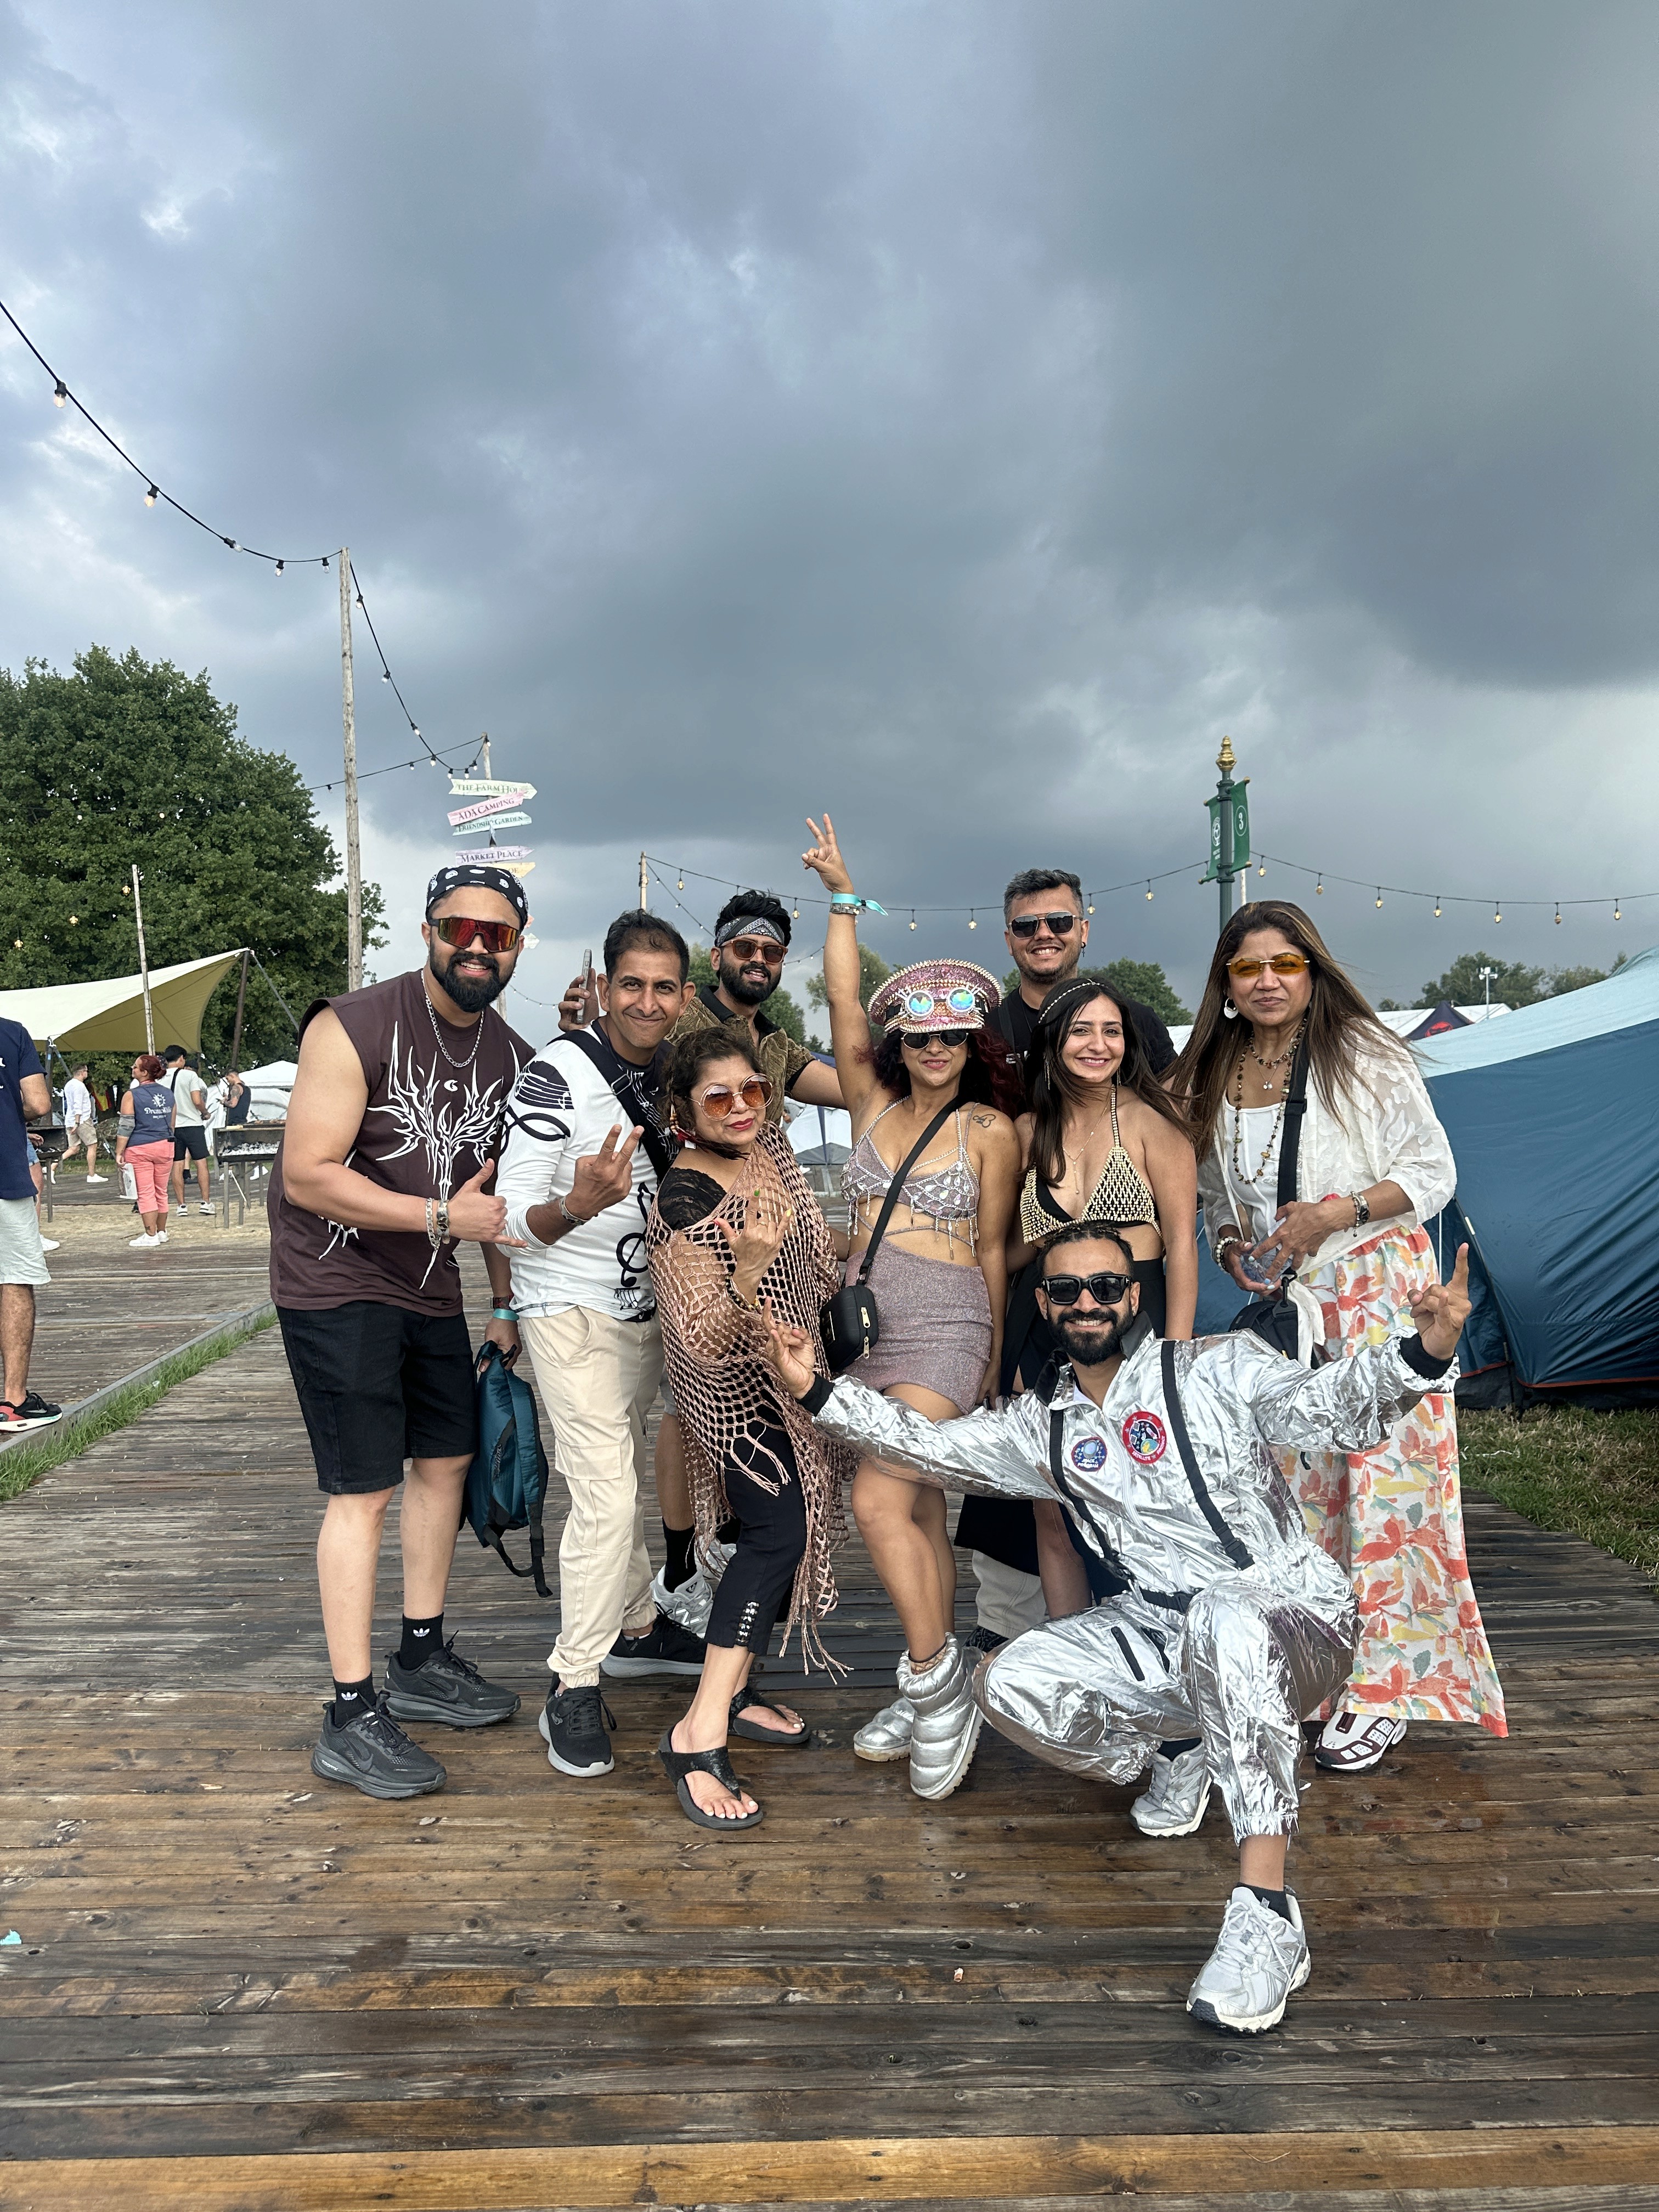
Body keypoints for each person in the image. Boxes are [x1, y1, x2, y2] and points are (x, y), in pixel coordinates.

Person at [764, 1220, 1475, 2035]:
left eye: (1106, 1286)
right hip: (1160, 1629)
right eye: (1066, 1290)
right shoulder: (1046, 1426)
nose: (1087, 1303)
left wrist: (1419, 1353)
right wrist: (816, 1388)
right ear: (1046, 1305)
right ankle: (1185, 1744)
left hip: (1290, 1612)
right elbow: (926, 1447)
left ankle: (1269, 1915)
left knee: (1225, 1621)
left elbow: (1322, 1408)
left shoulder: (1216, 1366)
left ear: (1134, 1296)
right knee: (1012, 1683)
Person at [1174, 901, 1506, 1773]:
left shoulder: (1361, 1053)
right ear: (1227, 985)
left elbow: (1433, 1173)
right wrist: (1234, 1248)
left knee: (1390, 1495)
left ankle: (1389, 1687)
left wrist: (1336, 1214)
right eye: (1250, 969)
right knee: (1298, 1496)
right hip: (1291, 1311)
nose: (1270, 982)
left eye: (1286, 964)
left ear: (1312, 971)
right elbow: (1216, 1198)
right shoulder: (1214, 1069)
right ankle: (1318, 1675)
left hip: (1381, 1294)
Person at [270, 864, 534, 1801]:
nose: (475, 944)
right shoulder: (353, 1023)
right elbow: (307, 1171)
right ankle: (349, 1713)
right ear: (428, 930)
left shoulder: (508, 1054)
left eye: (495, 934)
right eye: (459, 926)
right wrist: (435, 1219)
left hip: (431, 1286)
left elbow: (496, 1201)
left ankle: (420, 1658)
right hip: (334, 1278)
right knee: (363, 1490)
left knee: (446, 1462)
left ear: (514, 946)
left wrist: (503, 1304)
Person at [800, 812, 1020, 1799]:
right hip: (868, 1325)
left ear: (972, 1040)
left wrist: (994, 1359)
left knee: (879, 1496)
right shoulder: (870, 1103)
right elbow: (840, 991)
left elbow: (992, 1250)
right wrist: (842, 895)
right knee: (916, 1507)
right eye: (918, 1033)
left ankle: (935, 1686)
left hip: (948, 1326)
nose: (933, 1045)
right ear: (900, 1038)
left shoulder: (988, 1128)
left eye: (951, 1033)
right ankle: (941, 1676)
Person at [560, 888, 844, 1638]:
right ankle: (686, 1573)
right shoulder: (682, 1019)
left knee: (733, 1455)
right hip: (670, 1231)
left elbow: (855, 1086)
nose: (757, 960)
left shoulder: (773, 1045)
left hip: (736, 1251)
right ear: (714, 958)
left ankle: (707, 1580)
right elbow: (611, 1044)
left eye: (771, 951)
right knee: (691, 1416)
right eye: (742, 948)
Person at [495, 910, 708, 1786]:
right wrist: (577, 1206)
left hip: (648, 1311)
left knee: (608, 1481)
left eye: (664, 988)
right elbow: (507, 1220)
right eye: (632, 985)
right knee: (607, 1496)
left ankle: (635, 1624)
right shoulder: (556, 1076)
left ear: (684, 995)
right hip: (567, 1308)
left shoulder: (682, 1078)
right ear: (603, 987)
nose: (648, 1003)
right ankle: (571, 1682)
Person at [645, 1028, 857, 1828]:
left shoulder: (769, 1151)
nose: (741, 1109)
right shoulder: (686, 1199)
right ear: (684, 1110)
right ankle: (694, 1733)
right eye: (718, 1097)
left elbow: (808, 1238)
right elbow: (700, 1333)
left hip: (789, 1370)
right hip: (734, 1394)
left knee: (779, 1535)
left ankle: (733, 1692)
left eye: (753, 1091)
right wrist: (747, 1273)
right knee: (777, 1534)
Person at [967, 868, 1182, 1631]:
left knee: (1141, 1488)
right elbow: (1004, 1232)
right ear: (1009, 938)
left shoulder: (1138, 1035)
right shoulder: (985, 1034)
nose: (1044, 935)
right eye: (1028, 926)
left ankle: (1149, 1643)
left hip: (1132, 1313)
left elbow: (1178, 1215)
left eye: (1059, 921)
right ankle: (1032, 1646)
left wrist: (1177, 1348)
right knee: (1038, 1499)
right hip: (1041, 1313)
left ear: (1083, 929)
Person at [1003, 977, 1200, 1616]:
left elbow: (1182, 1247)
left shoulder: (1153, 1124)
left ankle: (1157, 1654)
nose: (1098, 1044)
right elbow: (1009, 1253)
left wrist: (1175, 1359)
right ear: (1054, 1041)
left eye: (1111, 1030)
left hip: (1133, 1335)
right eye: (1082, 1030)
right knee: (1054, 1510)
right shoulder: (1027, 1132)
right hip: (1045, 1329)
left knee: (1142, 1501)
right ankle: (1075, 1661)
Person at [0, 1015, 60, 1431]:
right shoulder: (11, 1032)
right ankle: (13, 1401)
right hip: (3, 1173)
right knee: (13, 1279)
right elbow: (39, 1104)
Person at [118, 1054, 177, 1249]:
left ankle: (150, 1234)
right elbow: (172, 1124)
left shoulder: (131, 1095)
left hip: (140, 1147)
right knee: (162, 1191)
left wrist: (120, 1151)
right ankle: (161, 1232)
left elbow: (126, 1126)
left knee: (145, 1193)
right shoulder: (168, 1094)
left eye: (135, 1067)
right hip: (166, 1145)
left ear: (144, 1073)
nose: (132, 1069)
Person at [162, 1046, 215, 1218]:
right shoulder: (190, 1075)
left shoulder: (160, 1078)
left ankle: (181, 1205)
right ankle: (206, 1203)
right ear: (182, 1059)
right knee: (201, 1163)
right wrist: (205, 1112)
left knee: (177, 1164)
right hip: (192, 1124)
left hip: (172, 1127)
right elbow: (197, 1100)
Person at [61, 1064, 105, 1182]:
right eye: (87, 1071)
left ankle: (51, 1167)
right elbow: (78, 1104)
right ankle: (91, 1175)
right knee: (92, 1145)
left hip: (70, 1119)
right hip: (82, 1120)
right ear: (82, 1072)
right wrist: (77, 1122)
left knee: (74, 1148)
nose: (87, 1073)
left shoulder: (69, 1085)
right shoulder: (79, 1086)